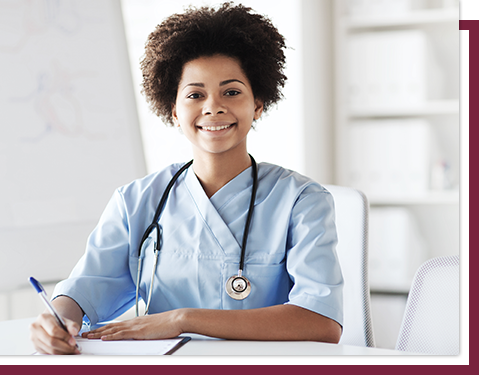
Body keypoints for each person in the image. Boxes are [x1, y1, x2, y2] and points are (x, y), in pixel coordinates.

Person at [30, 2, 343, 355]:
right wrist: (57, 321)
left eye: (232, 91)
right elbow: (85, 287)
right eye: (195, 95)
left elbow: (321, 322)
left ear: (258, 103)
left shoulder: (302, 200)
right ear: (174, 111)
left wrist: (182, 319)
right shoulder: (136, 200)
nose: (213, 107)